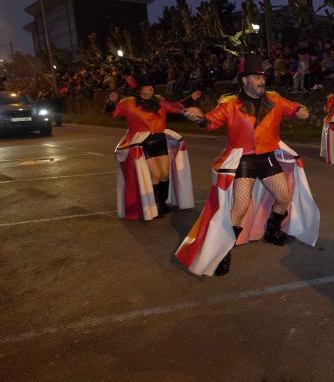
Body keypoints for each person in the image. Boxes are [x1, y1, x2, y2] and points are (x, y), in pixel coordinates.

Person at [177, 53, 319, 276]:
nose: (261, 81)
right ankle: (223, 250)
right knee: (239, 207)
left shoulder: (274, 99)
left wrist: (302, 111)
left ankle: (272, 231)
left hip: (268, 157)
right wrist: (200, 118)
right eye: (256, 77)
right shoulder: (230, 104)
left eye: (262, 76)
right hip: (243, 161)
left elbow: (295, 108)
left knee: (284, 198)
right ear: (244, 80)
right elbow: (212, 121)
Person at [104, 75, 198, 220]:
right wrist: (111, 101)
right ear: (140, 90)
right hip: (143, 144)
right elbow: (112, 114)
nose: (151, 88)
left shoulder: (159, 102)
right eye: (147, 86)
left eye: (151, 86)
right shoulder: (128, 104)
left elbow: (176, 107)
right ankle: (155, 205)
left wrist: (191, 99)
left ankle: (161, 202)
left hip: (160, 140)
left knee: (165, 173)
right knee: (156, 175)